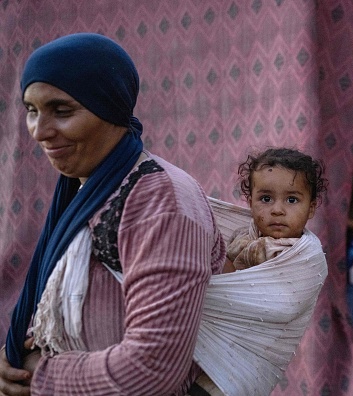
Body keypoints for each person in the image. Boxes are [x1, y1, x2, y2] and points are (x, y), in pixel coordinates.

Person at [0, 33, 225, 396]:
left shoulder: (161, 203)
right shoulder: (84, 190)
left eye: (62, 110)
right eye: (31, 110)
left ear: (108, 107)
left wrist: (38, 375)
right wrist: (12, 357)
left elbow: (151, 370)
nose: (39, 132)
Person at [222, 147, 328, 273]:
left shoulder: (306, 256)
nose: (277, 210)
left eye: (291, 200)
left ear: (311, 209)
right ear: (251, 203)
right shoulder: (241, 237)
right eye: (266, 199)